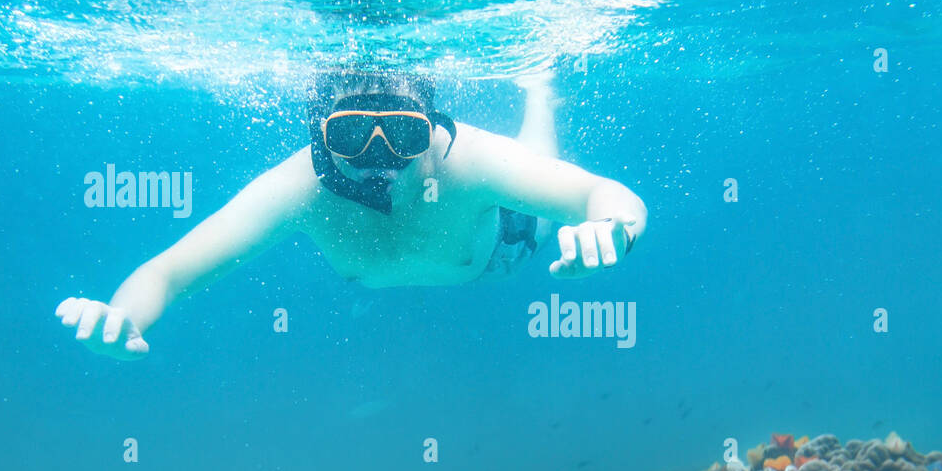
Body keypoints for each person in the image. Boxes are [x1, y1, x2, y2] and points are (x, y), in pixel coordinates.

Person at [55, 70, 647, 360]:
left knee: (539, 162)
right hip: (467, 258)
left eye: (405, 136)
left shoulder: (469, 164)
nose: (379, 159)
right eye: (354, 134)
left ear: (433, 130)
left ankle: (538, 92)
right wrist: (122, 317)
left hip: (508, 248)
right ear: (321, 137)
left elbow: (606, 194)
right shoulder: (300, 189)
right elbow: (167, 273)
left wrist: (610, 231)